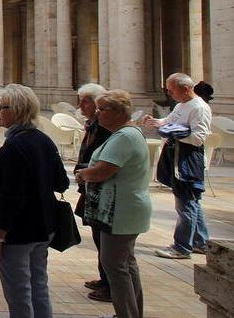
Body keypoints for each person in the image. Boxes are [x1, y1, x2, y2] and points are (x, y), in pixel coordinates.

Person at [0, 84, 69, 318]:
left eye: (1, 108)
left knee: (19, 293)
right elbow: (61, 182)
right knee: (39, 287)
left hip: (17, 232)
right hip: (44, 227)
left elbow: (11, 198)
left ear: (17, 110)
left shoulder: (14, 146)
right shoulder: (44, 140)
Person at [75, 90, 152, 318]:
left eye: (102, 109)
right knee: (125, 264)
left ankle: (126, 314)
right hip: (123, 208)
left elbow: (104, 171)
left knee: (115, 266)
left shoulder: (124, 137)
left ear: (119, 112)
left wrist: (83, 174)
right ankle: (132, 313)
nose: (97, 114)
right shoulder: (123, 134)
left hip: (120, 211)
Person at [144, 72, 212, 259]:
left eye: (172, 90)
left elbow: (198, 138)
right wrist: (156, 123)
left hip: (186, 160)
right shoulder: (182, 104)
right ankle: (201, 242)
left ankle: (182, 247)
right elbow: (169, 122)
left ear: (185, 88)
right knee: (192, 202)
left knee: (185, 204)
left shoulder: (199, 107)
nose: (169, 93)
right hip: (175, 156)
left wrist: (175, 133)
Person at [72, 83, 113, 302]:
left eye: (85, 101)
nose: (81, 105)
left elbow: (105, 161)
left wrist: (85, 170)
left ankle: (110, 283)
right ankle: (104, 276)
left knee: (105, 238)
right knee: (99, 236)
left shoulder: (106, 128)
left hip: (102, 190)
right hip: (90, 186)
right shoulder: (93, 125)